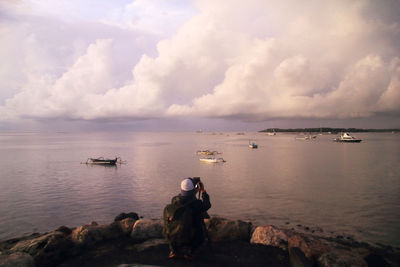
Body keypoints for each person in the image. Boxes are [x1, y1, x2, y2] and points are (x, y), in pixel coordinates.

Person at [163, 177, 211, 259]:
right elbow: (207, 205)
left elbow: (185, 200)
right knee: (199, 226)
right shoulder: (196, 204)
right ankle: (190, 252)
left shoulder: (174, 201)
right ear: (193, 190)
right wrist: (202, 191)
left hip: (173, 237)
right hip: (190, 237)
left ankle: (173, 250)